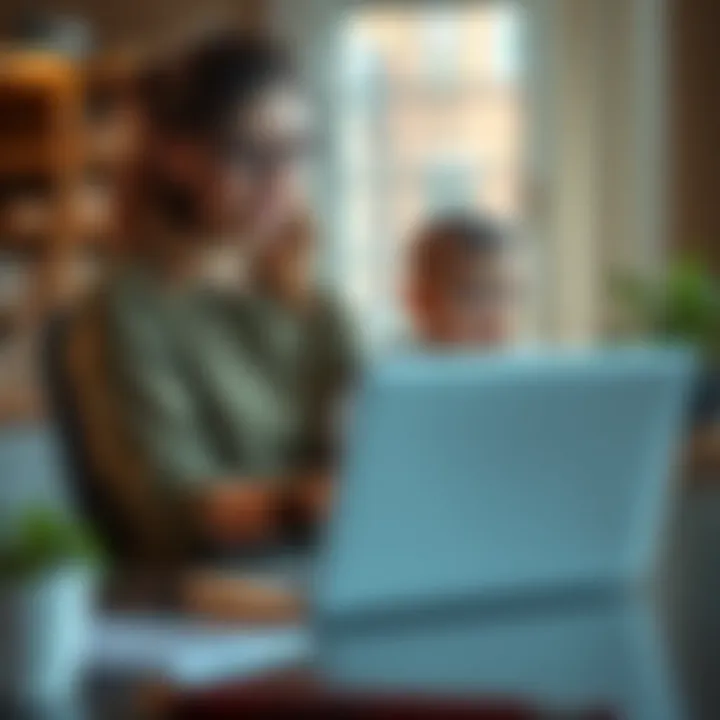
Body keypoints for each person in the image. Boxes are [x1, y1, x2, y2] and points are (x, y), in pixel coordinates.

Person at [65, 32, 357, 565]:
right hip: (203, 589)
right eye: (252, 153)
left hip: (324, 565)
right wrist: (309, 502)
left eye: (296, 151)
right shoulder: (125, 311)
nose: (281, 180)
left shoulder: (314, 302)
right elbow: (170, 509)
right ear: (178, 156)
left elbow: (379, 435)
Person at [403, 212, 521, 349]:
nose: (495, 319)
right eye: (474, 296)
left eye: (507, 295)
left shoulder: (528, 366)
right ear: (421, 299)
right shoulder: (389, 367)